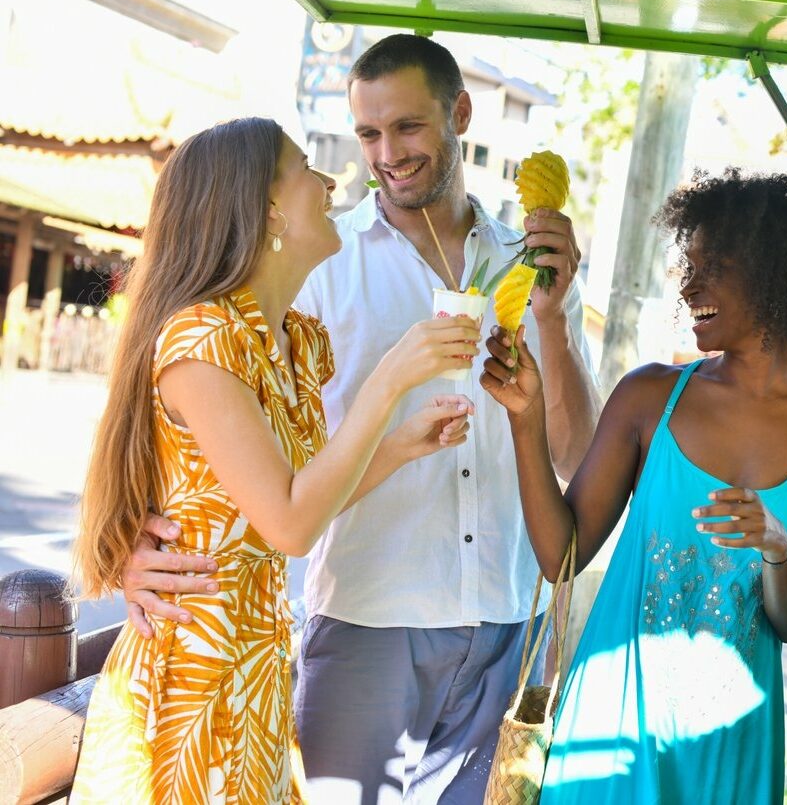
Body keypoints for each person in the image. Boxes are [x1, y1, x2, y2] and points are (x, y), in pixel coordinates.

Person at [122, 36, 600, 802]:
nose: (384, 154)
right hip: (365, 618)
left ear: (460, 114)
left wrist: (554, 321)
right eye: (368, 133)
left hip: (502, 622)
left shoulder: (535, 262)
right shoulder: (318, 260)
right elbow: (201, 421)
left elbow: (577, 454)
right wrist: (133, 538)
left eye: (407, 127)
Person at [70, 117, 480, 802]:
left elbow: (293, 497)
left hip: (256, 669)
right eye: (305, 170)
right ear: (267, 210)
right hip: (192, 679)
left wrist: (398, 447)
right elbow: (290, 526)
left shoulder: (293, 340)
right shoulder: (203, 339)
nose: (329, 182)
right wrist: (388, 381)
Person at [481, 170, 787, 804]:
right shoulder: (649, 396)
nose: (689, 287)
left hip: (730, 745)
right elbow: (561, 558)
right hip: (610, 722)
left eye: (712, 269)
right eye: (688, 268)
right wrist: (526, 421)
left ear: (778, 276)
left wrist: (777, 548)